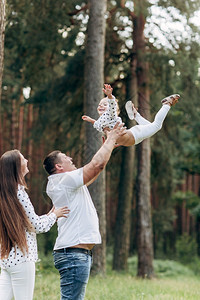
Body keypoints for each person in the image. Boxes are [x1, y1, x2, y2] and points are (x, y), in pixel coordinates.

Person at [43, 123, 126, 300]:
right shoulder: (64, 180)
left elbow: (94, 172)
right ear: (58, 166)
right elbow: (96, 165)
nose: (70, 158)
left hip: (75, 254)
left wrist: (108, 146)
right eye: (66, 157)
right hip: (73, 255)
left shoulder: (65, 183)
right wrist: (110, 139)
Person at [0, 149, 70, 300]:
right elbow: (36, 226)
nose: (27, 160)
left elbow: (27, 223)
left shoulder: (5, 193)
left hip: (7, 260)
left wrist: (49, 215)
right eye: (23, 158)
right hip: (23, 259)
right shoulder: (19, 193)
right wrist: (54, 215)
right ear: (16, 166)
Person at [82, 84, 180, 147]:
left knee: (156, 126)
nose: (101, 106)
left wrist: (109, 96)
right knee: (151, 126)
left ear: (114, 110)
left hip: (135, 135)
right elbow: (97, 124)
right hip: (133, 135)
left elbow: (112, 104)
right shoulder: (100, 122)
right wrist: (91, 120)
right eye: (99, 105)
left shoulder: (110, 114)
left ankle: (167, 104)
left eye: (104, 104)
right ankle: (135, 115)